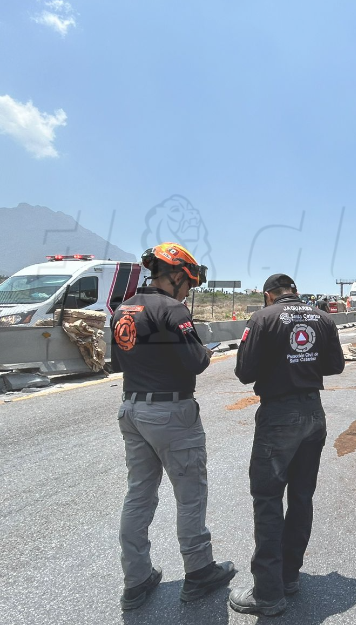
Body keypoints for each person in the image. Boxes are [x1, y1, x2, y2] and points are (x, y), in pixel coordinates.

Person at [111, 243, 235, 611]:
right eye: (188, 284)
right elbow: (196, 361)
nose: (188, 291)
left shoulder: (123, 308)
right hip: (170, 413)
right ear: (177, 275)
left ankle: (135, 580)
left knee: (138, 495)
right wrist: (206, 352)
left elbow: (119, 360)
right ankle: (199, 572)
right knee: (190, 493)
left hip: (132, 409)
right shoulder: (172, 309)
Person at [230, 274, 346, 616]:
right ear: (294, 292)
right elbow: (335, 365)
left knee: (267, 500)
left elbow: (244, 372)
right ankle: (288, 576)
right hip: (314, 412)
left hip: (279, 415)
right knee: (300, 496)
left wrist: (277, 361)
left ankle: (267, 594)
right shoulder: (322, 318)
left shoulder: (263, 318)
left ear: (269, 295)